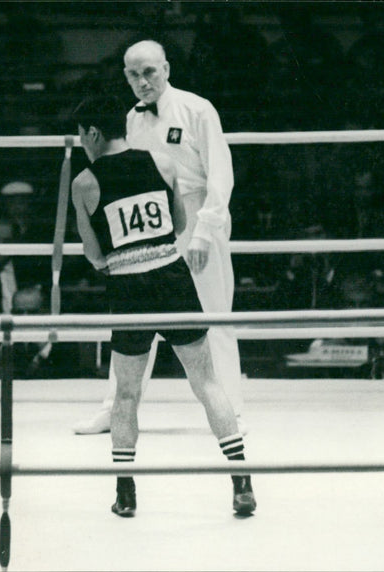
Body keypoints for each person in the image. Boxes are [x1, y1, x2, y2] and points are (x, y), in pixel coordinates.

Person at [70, 94, 255, 517]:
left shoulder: (85, 182)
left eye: (82, 136)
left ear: (93, 133)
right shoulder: (162, 162)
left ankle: (125, 492)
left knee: (127, 395)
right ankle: (242, 481)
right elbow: (180, 223)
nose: (82, 144)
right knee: (207, 382)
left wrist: (120, 258)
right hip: (172, 278)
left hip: (127, 288)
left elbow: (93, 253)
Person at [73, 40, 245, 436]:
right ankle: (115, 409)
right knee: (133, 319)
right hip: (146, 224)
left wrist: (203, 231)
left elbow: (221, 174)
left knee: (214, 314)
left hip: (197, 216)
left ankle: (231, 410)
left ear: (166, 68)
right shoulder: (130, 119)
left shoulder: (197, 109)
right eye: (133, 74)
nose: (142, 81)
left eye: (149, 71)